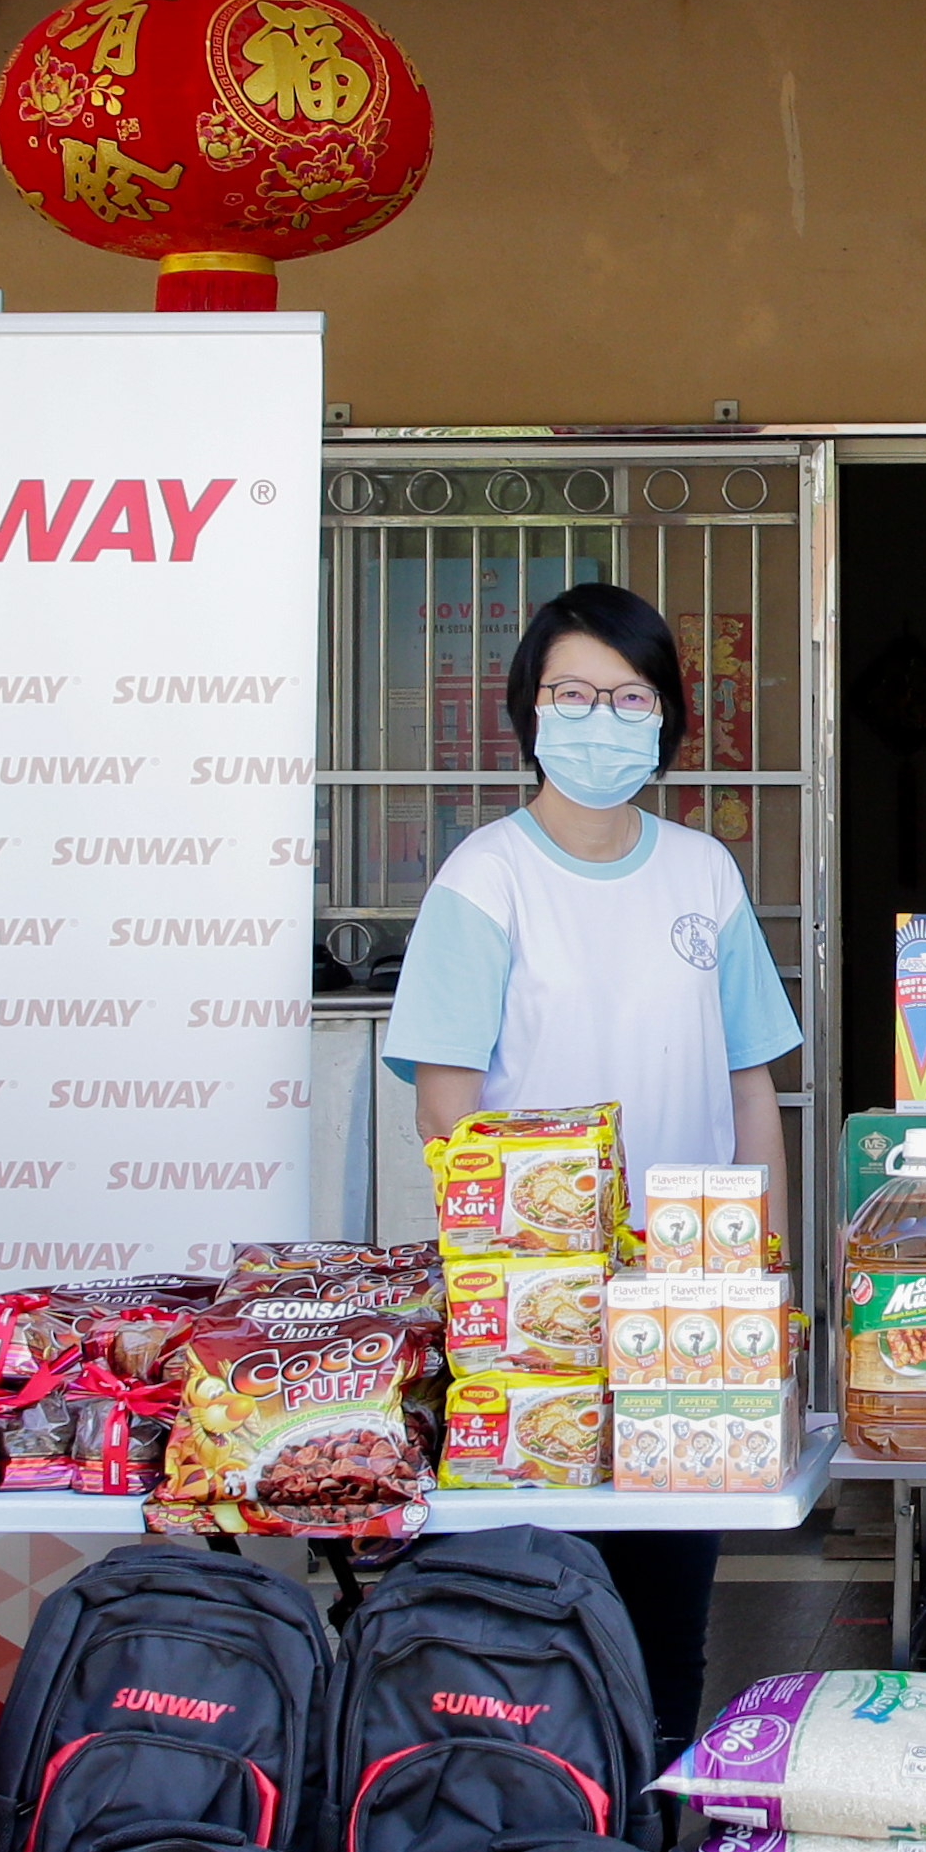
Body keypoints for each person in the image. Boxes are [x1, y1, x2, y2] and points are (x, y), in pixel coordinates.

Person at [384, 580, 805, 1752]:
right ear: (528, 710)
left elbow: (747, 1087)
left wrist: (757, 1268)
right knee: (528, 1617)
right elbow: (445, 1108)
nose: (601, 717)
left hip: (685, 1306)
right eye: (573, 693)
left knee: (668, 1614)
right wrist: (528, 1265)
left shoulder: (702, 876)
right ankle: (526, 1845)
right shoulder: (485, 878)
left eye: (629, 696)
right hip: (536, 1317)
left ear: (668, 717)